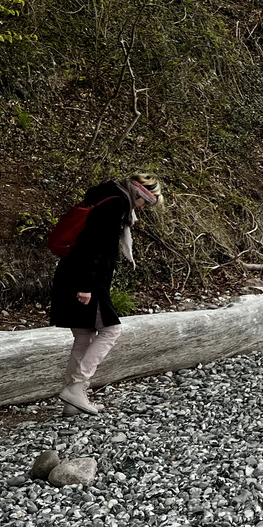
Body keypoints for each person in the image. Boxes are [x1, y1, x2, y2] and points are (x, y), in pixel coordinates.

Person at [49, 173, 163, 413]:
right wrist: (86, 286)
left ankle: (73, 402)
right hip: (86, 280)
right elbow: (92, 244)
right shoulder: (116, 204)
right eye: (147, 203)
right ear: (141, 193)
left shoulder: (106, 196)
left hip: (71, 273)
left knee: (84, 335)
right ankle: (77, 387)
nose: (143, 208)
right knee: (111, 331)